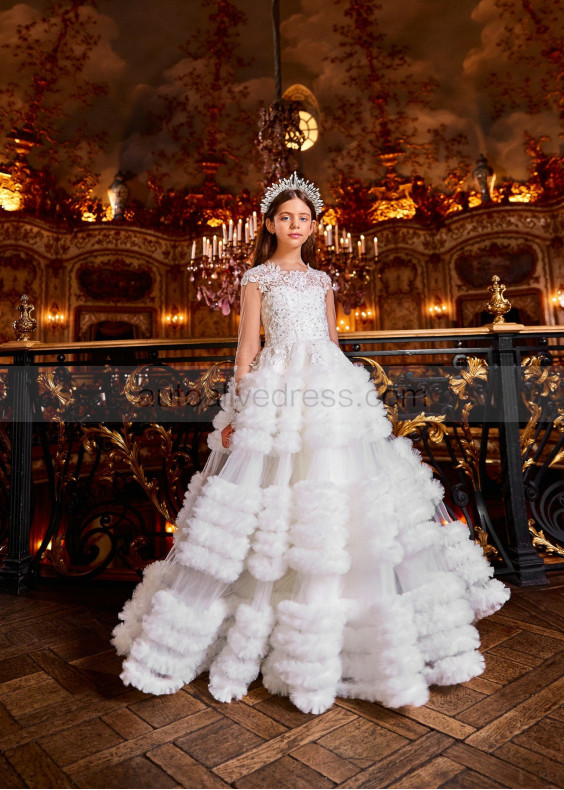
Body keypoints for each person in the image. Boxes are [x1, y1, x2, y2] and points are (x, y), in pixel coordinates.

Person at [112, 172, 510, 715]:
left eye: (304, 219)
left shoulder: (322, 280)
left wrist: (348, 393)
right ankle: (251, 627)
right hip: (277, 391)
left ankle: (357, 634)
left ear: (313, 226)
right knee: (274, 499)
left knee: (342, 495)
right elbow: (247, 349)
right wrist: (242, 407)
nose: (295, 226)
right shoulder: (257, 278)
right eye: (286, 218)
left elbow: (333, 341)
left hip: (328, 386)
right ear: (269, 224)